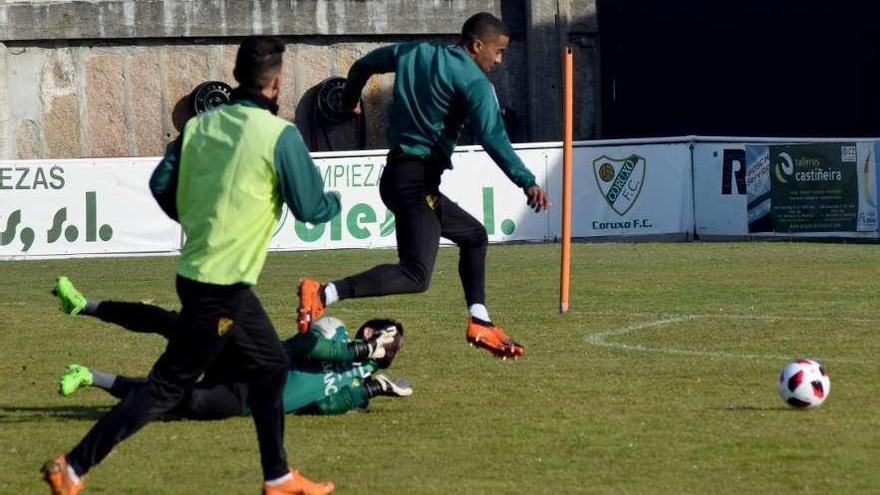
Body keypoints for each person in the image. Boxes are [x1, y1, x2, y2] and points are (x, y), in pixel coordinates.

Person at [42, 37, 341, 495]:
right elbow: (309, 207)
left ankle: (278, 476)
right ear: (278, 82)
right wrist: (332, 203)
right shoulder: (279, 136)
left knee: (272, 365)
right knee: (166, 387)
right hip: (221, 285)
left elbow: (161, 182)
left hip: (204, 275)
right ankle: (75, 466)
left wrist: (195, 218)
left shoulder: (199, 127)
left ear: (237, 74)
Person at [296, 12, 551, 359]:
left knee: (474, 236)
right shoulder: (475, 84)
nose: (500, 60)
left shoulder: (414, 53)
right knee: (416, 274)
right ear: (477, 45)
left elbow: (363, 64)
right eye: (498, 51)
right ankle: (323, 293)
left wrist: (349, 99)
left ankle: (480, 320)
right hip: (414, 183)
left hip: (400, 177)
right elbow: (493, 137)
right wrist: (527, 182)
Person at [52, 277, 411, 418]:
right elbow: (309, 347)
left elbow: (323, 405)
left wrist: (371, 387)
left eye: (391, 344)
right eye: (386, 336)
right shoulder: (338, 331)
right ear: (369, 330)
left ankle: (89, 377)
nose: (389, 346)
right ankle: (85, 304)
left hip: (247, 399)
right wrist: (359, 353)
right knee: (177, 325)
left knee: (179, 401)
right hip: (248, 359)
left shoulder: (358, 389)